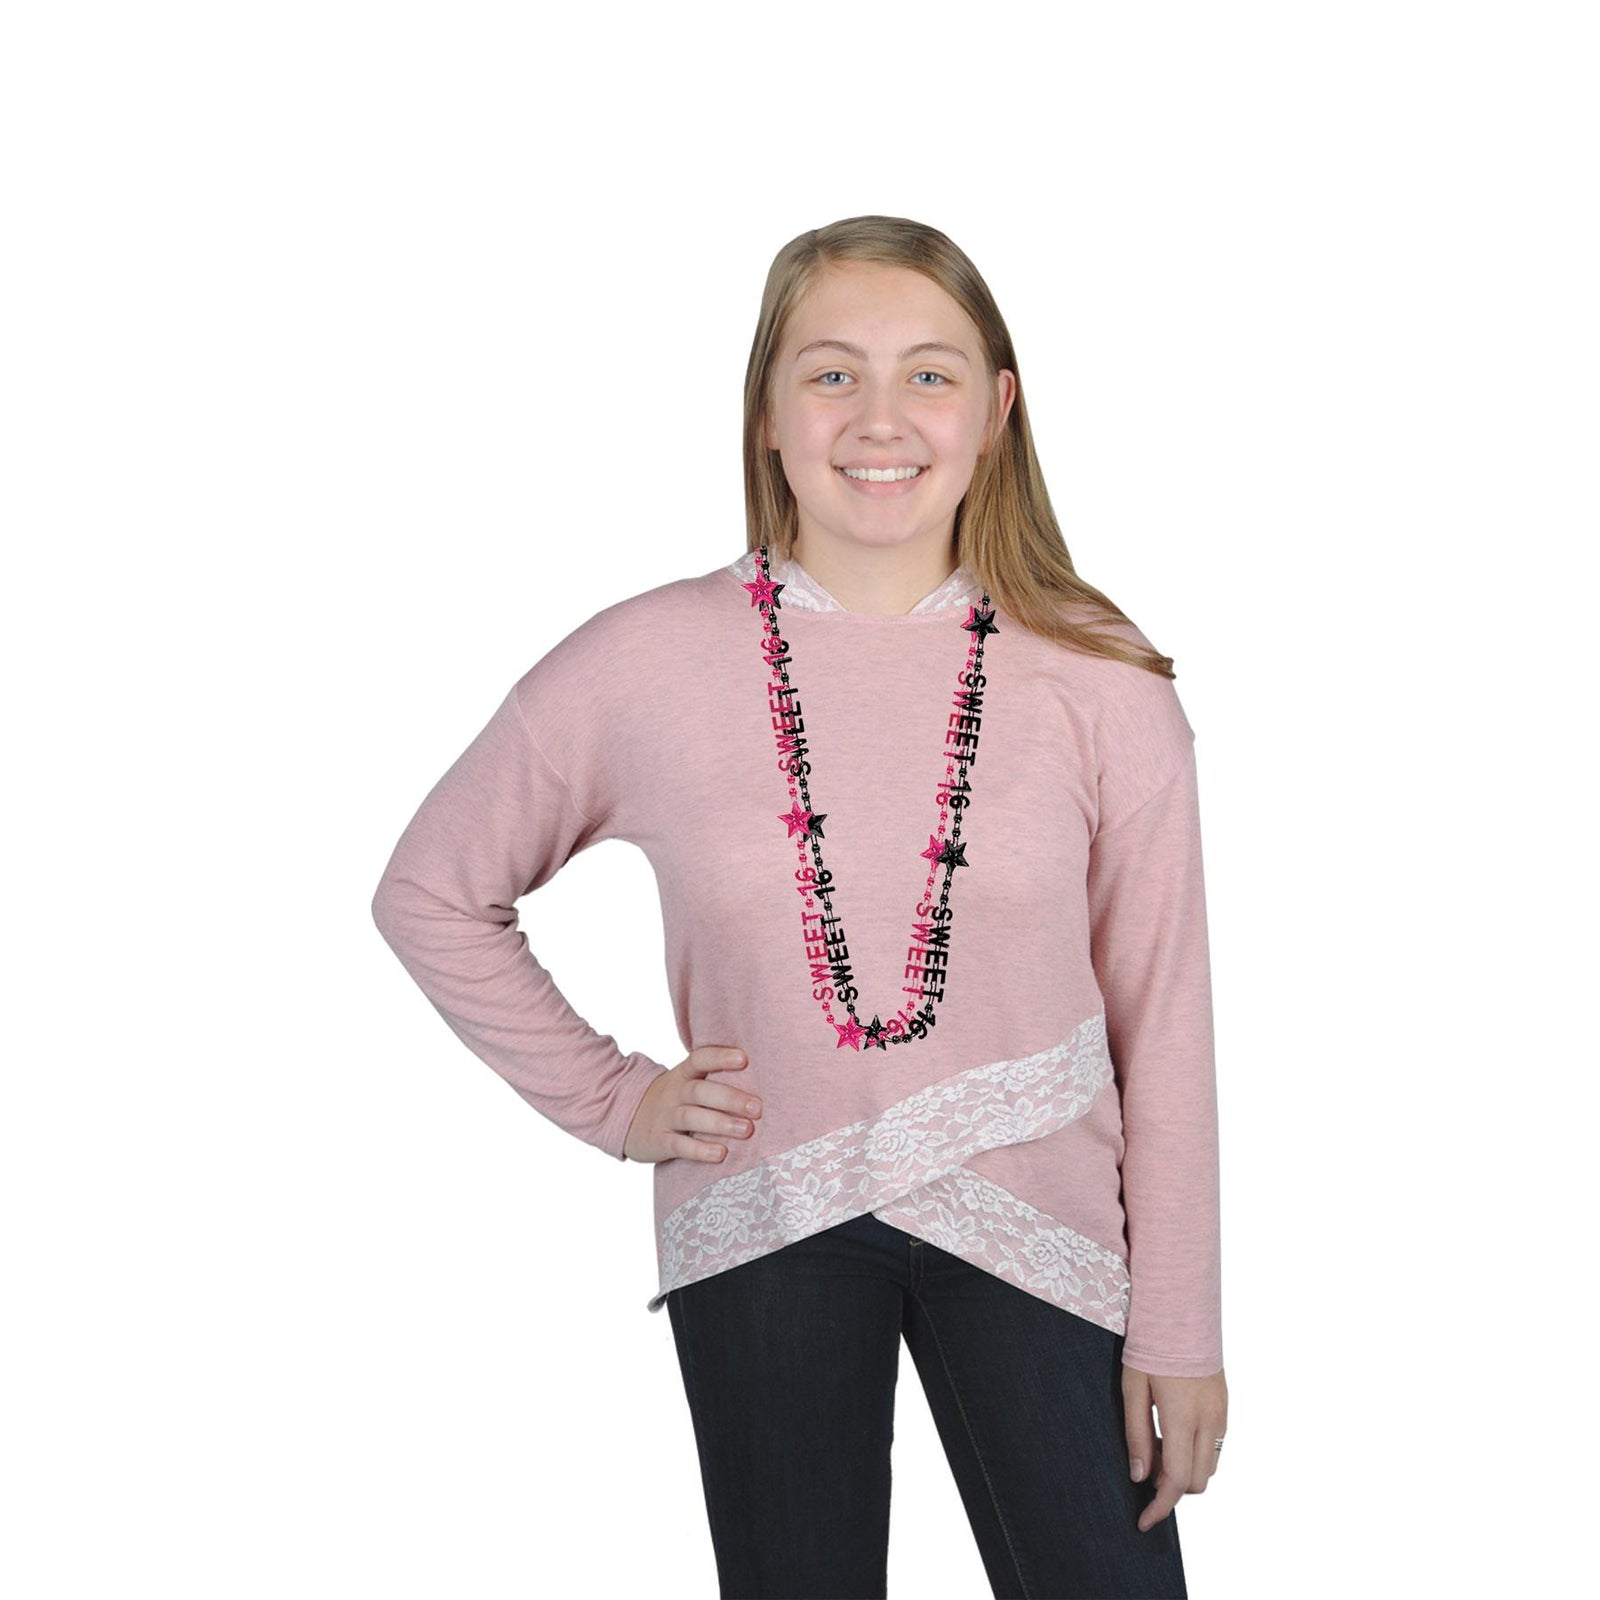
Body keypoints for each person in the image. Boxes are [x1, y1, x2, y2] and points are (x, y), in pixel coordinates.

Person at [371, 214, 1228, 1599]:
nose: (881, 419)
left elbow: (1164, 1018)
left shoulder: (1100, 675)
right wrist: (615, 1099)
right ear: (768, 412)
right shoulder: (641, 660)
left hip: (1049, 1223)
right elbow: (431, 889)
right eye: (832, 374)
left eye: (930, 374)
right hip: (766, 1219)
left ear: (998, 410)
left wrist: (1180, 1325)